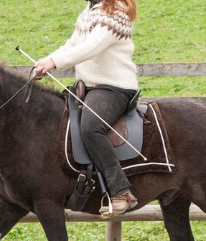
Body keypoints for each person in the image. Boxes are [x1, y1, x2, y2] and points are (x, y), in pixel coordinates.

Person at [34, 0, 139, 215]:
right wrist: (47, 60)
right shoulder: (91, 10)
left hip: (115, 88)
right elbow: (73, 45)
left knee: (91, 128)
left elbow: (90, 48)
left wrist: (55, 62)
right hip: (89, 88)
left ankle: (121, 191)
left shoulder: (116, 13)